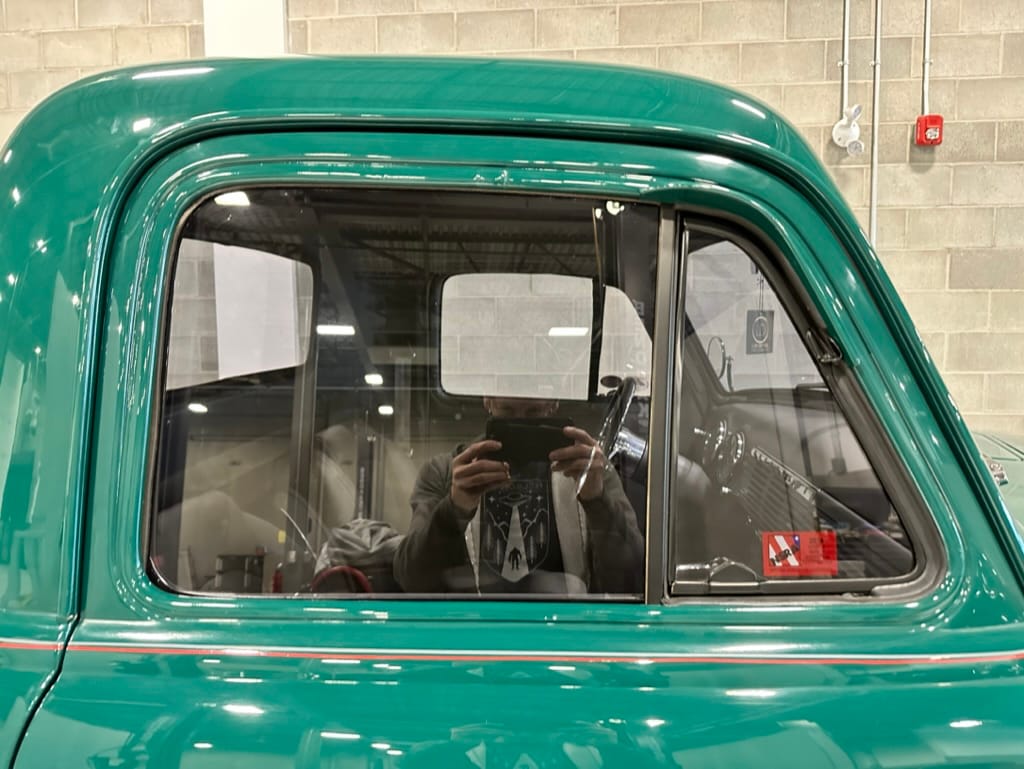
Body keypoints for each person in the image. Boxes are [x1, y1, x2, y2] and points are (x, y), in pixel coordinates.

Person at [393, 397, 644, 595]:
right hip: (483, 635)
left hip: (555, 634)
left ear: (553, 403)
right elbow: (412, 579)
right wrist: (453, 508)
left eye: (533, 412)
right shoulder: (446, 473)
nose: (521, 422)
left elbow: (632, 579)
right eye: (507, 411)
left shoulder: (588, 469)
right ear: (488, 399)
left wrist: (597, 500)